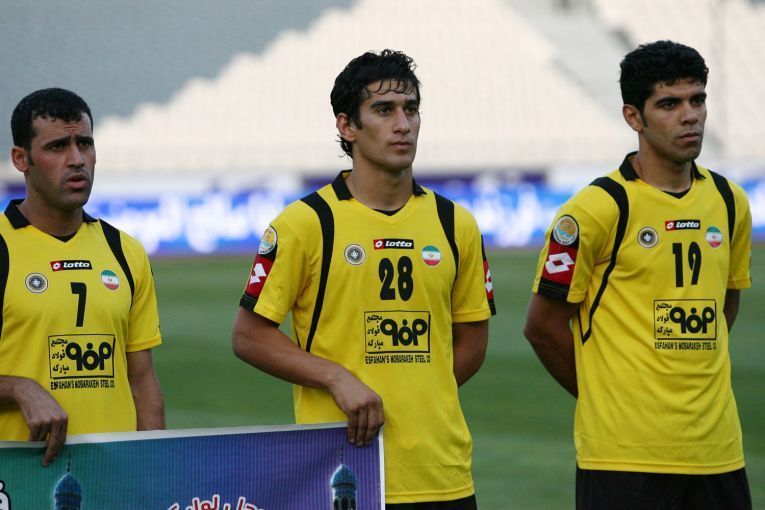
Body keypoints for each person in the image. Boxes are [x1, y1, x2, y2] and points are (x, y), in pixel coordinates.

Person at [232, 49, 496, 508]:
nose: (403, 124)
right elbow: (249, 336)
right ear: (347, 126)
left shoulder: (456, 223)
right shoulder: (305, 223)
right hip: (341, 473)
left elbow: (473, 339)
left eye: (411, 109)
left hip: (443, 473)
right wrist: (336, 378)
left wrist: (422, 393)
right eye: (384, 110)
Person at [524, 40, 752, 509]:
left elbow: (723, 307)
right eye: (669, 104)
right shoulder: (595, 209)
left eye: (697, 100)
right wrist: (606, 399)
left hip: (718, 453)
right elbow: (542, 326)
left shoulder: (730, 201)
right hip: (623, 461)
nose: (689, 116)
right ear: (634, 117)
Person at [0, 88, 165, 466]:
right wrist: (18, 388)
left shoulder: (125, 251)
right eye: (57, 146)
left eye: (85, 144)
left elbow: (142, 379)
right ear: (21, 159)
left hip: (115, 478)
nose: (76, 159)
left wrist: (154, 466)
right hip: (19, 479)